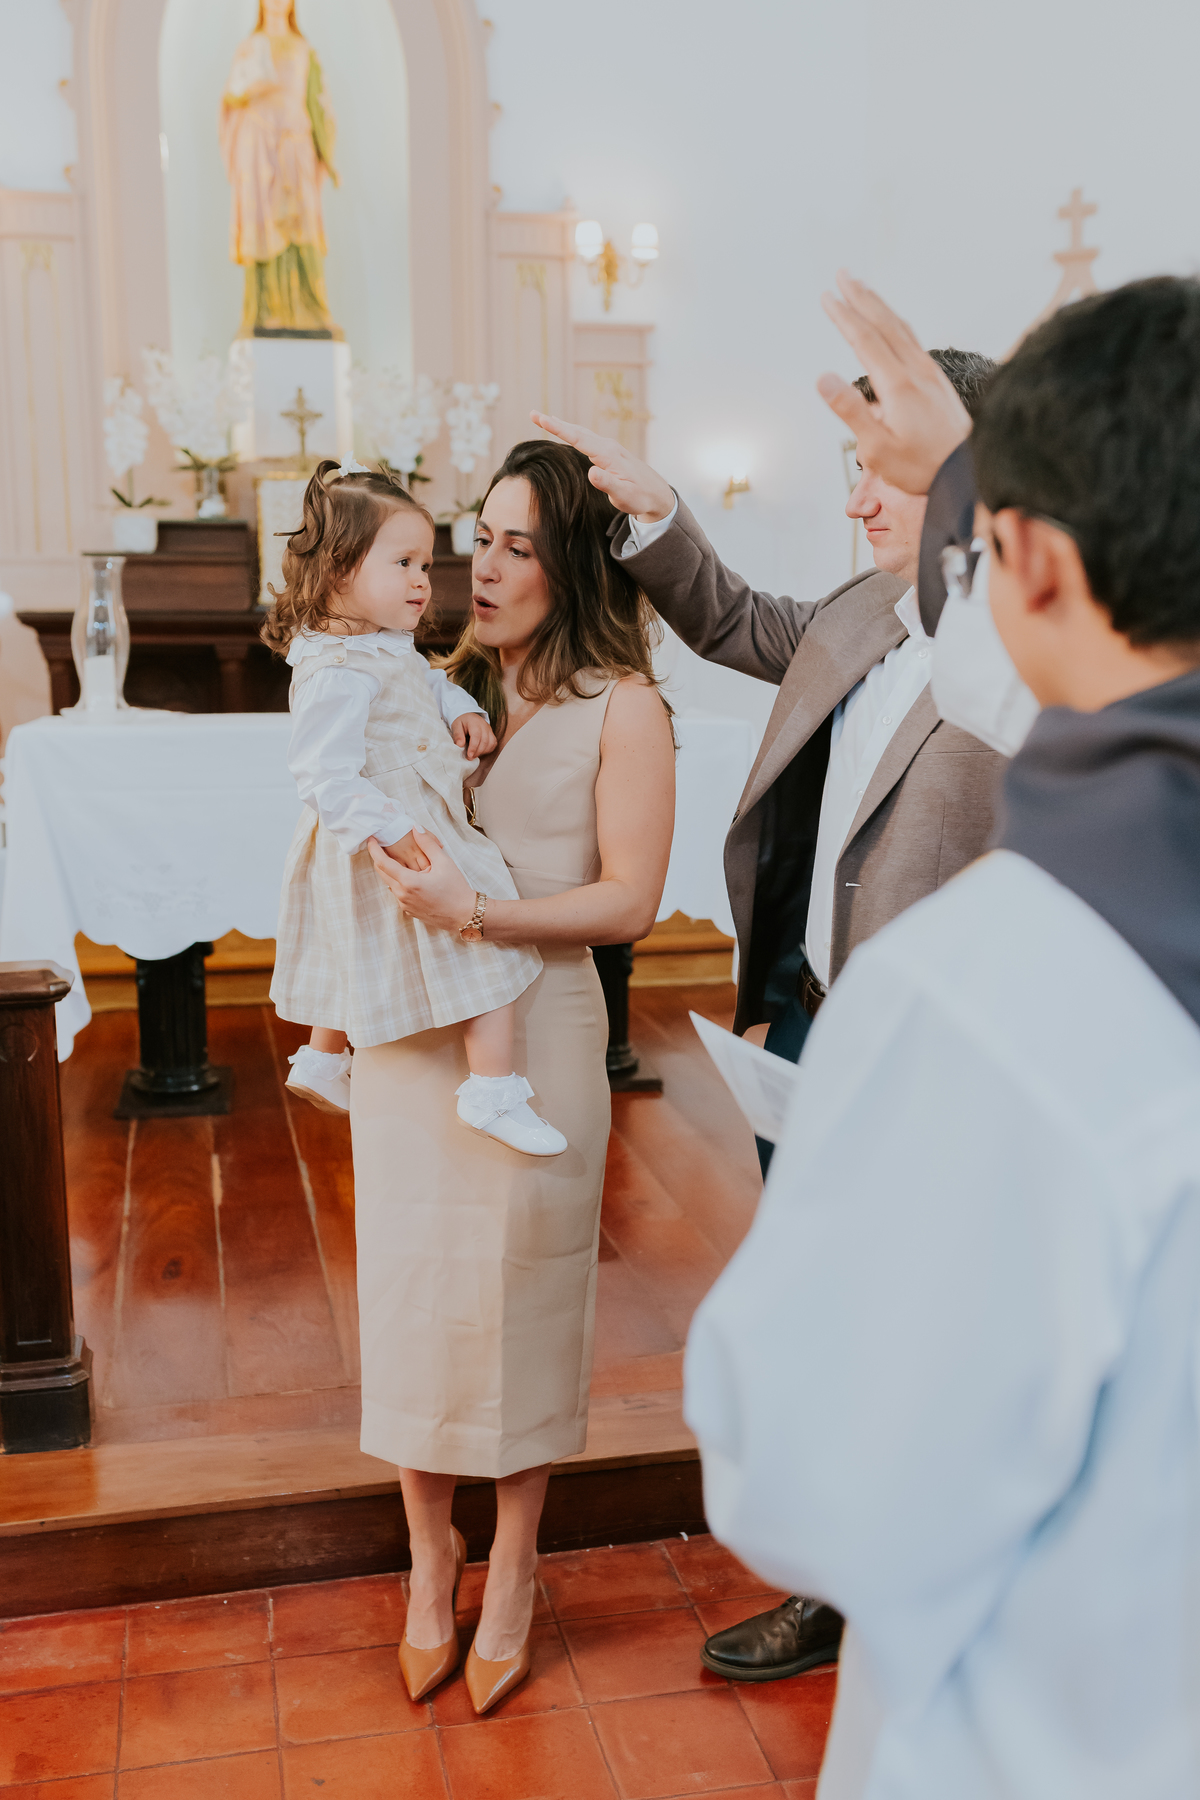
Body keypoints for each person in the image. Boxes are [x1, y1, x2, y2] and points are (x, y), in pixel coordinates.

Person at [685, 273, 1200, 1798]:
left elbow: (812, 1489)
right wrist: (976, 473)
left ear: (1025, 562)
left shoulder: (994, 992)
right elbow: (1018, 686)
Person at [534, 344, 1001, 1683]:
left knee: (930, 1328)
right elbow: (738, 621)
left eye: (890, 476)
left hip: (930, 1061)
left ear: (971, 485)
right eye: (853, 472)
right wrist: (654, 510)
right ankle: (835, 1583)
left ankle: (934, 1591)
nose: (858, 502)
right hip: (804, 1031)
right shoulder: (861, 612)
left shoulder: (1024, 667)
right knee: (832, 1315)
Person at [355, 440, 676, 1713]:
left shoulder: (626, 707)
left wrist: (477, 914)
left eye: (516, 546)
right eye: (475, 539)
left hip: (538, 1028)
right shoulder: (427, 685)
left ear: (578, 564)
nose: (479, 568)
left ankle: (519, 1561)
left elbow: (631, 899)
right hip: (412, 1028)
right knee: (418, 1289)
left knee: (524, 1297)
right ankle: (431, 1554)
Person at [264, 458, 564, 1157]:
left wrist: (457, 707)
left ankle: (321, 1057)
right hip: (388, 826)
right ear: (339, 570)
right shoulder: (334, 674)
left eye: (426, 563)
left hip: (397, 815)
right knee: (483, 937)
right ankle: (491, 1087)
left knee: (353, 944)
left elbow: (422, 681)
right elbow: (322, 775)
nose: (423, 581)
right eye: (403, 562)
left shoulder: (375, 645)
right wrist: (400, 832)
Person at [221, 0, 339, 336]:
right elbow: (231, 96)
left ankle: (310, 309)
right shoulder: (250, 47)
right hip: (258, 145)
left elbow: (319, 104)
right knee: (264, 222)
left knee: (303, 222)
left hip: (295, 142)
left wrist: (327, 157)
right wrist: (247, 92)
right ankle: (265, 310)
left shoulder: (304, 50)